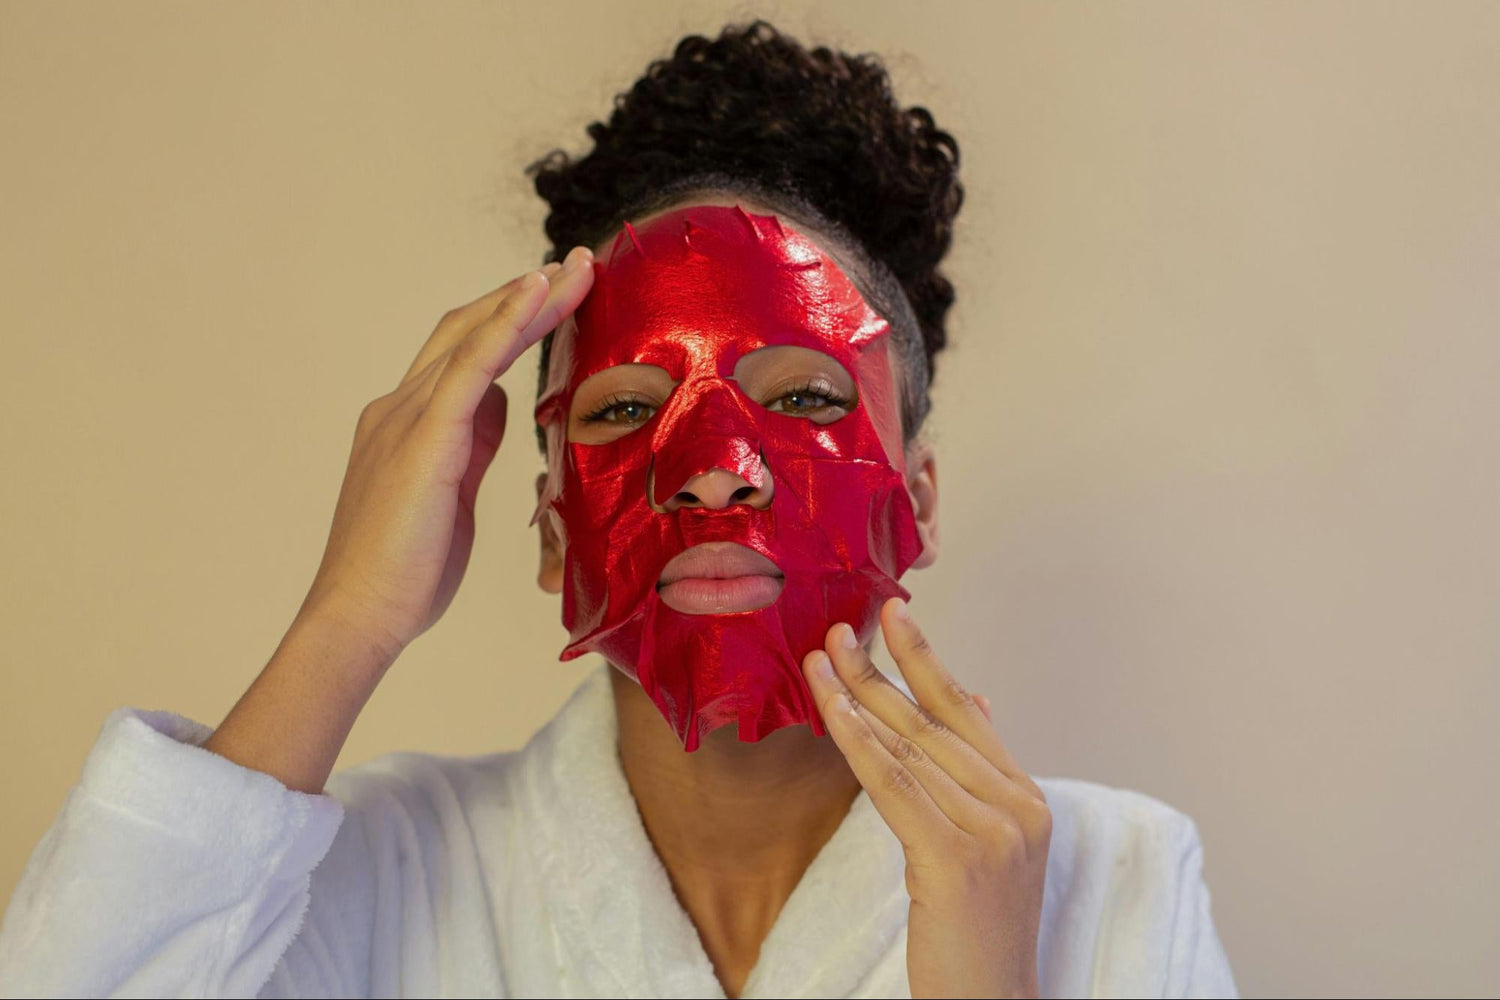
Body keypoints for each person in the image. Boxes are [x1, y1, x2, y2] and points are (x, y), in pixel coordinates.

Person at [0, 19, 1238, 1000]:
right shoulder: (367, 873)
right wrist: (347, 619)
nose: (710, 471)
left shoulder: (1113, 880)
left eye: (803, 396)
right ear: (546, 524)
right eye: (619, 410)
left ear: (914, 496)